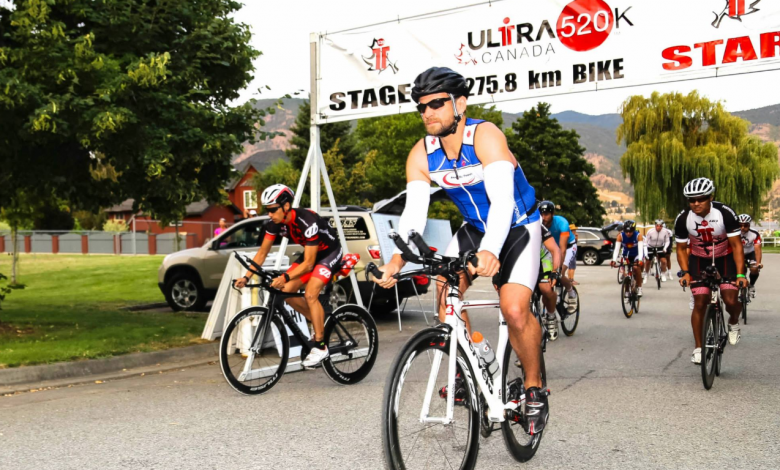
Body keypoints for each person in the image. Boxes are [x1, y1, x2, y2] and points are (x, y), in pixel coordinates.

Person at [372, 66, 548, 434]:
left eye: (437, 104)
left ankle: (534, 388)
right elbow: (414, 215)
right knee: (444, 294)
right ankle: (474, 363)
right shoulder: (422, 154)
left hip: (517, 225)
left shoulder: (485, 136)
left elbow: (501, 204)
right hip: (474, 229)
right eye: (422, 107)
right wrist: (396, 259)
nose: (428, 113)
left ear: (460, 103)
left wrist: (490, 251)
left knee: (514, 308)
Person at [233, 184, 343, 368]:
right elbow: (262, 253)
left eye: (272, 209)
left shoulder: (307, 220)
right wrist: (246, 277)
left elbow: (309, 263)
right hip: (311, 255)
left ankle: (321, 346)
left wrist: (285, 276)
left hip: (329, 253)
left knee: (310, 294)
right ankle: (319, 325)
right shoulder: (275, 223)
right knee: (286, 291)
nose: (269, 214)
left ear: (286, 206)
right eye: (267, 210)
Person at [675, 178, 747, 364]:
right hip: (699, 259)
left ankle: (733, 321)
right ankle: (698, 348)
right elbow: (681, 248)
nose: (696, 203)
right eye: (692, 200)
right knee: (700, 302)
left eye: (701, 199)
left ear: (711, 197)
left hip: (725, 258)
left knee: (731, 300)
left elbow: (737, 246)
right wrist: (685, 272)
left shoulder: (725, 213)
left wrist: (740, 274)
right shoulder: (683, 218)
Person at [539, 201, 578, 311]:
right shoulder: (539, 224)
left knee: (560, 273)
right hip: (552, 248)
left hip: (568, 246)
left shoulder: (562, 223)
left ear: (552, 214)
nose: (543, 217)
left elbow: (562, 249)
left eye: (546, 214)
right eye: (541, 214)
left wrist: (557, 269)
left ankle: (571, 293)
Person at [610, 220, 645, 297]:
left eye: (630, 232)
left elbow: (640, 249)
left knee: (636, 268)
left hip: (636, 255)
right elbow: (616, 249)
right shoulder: (620, 236)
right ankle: (626, 291)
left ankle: (639, 288)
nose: (628, 233)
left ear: (634, 230)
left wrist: (640, 260)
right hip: (626, 255)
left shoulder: (638, 235)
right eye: (626, 231)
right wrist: (614, 260)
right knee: (626, 273)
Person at [738, 214, 763, 298]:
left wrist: (758, 263)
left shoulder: (754, 233)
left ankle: (751, 285)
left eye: (745, 225)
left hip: (750, 254)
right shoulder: (734, 232)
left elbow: (757, 249)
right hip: (737, 253)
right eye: (740, 225)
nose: (742, 227)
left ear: (749, 225)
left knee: (754, 268)